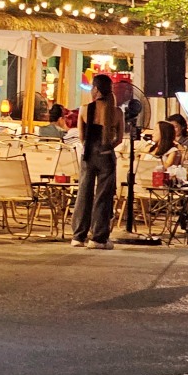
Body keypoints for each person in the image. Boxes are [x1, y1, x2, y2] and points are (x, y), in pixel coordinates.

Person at [70, 73, 125, 250]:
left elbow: (80, 136)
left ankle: (78, 236)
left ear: (95, 89)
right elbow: (120, 139)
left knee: (84, 193)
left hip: (88, 154)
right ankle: (98, 238)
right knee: (103, 196)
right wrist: (108, 146)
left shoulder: (85, 109)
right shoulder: (116, 112)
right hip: (106, 154)